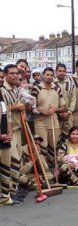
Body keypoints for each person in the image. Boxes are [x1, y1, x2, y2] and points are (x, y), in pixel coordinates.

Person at [31, 67, 66, 166]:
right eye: (47, 75)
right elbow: (32, 107)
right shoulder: (36, 88)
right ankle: (43, 169)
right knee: (42, 146)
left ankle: (51, 168)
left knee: (53, 146)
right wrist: (43, 111)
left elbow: (63, 107)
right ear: (43, 75)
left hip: (53, 121)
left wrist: (56, 109)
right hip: (40, 122)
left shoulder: (57, 88)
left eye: (51, 75)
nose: (49, 77)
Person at [0, 64, 24, 203]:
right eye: (12, 73)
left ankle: (12, 191)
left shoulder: (16, 90)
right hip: (8, 131)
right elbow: (4, 109)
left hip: (16, 128)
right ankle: (6, 194)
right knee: (12, 161)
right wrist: (15, 107)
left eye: (17, 73)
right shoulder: (3, 90)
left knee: (17, 162)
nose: (15, 76)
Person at [0, 82, 15, 205]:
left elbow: (8, 114)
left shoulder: (3, 94)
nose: (1, 80)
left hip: (5, 139)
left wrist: (9, 131)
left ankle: (4, 197)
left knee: (5, 168)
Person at [54, 63, 76, 142]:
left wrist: (69, 112)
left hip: (68, 115)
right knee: (56, 136)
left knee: (69, 136)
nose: (62, 73)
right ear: (56, 72)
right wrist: (59, 112)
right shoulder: (52, 84)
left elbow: (74, 99)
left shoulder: (71, 84)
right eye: (60, 71)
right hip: (56, 115)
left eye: (63, 71)